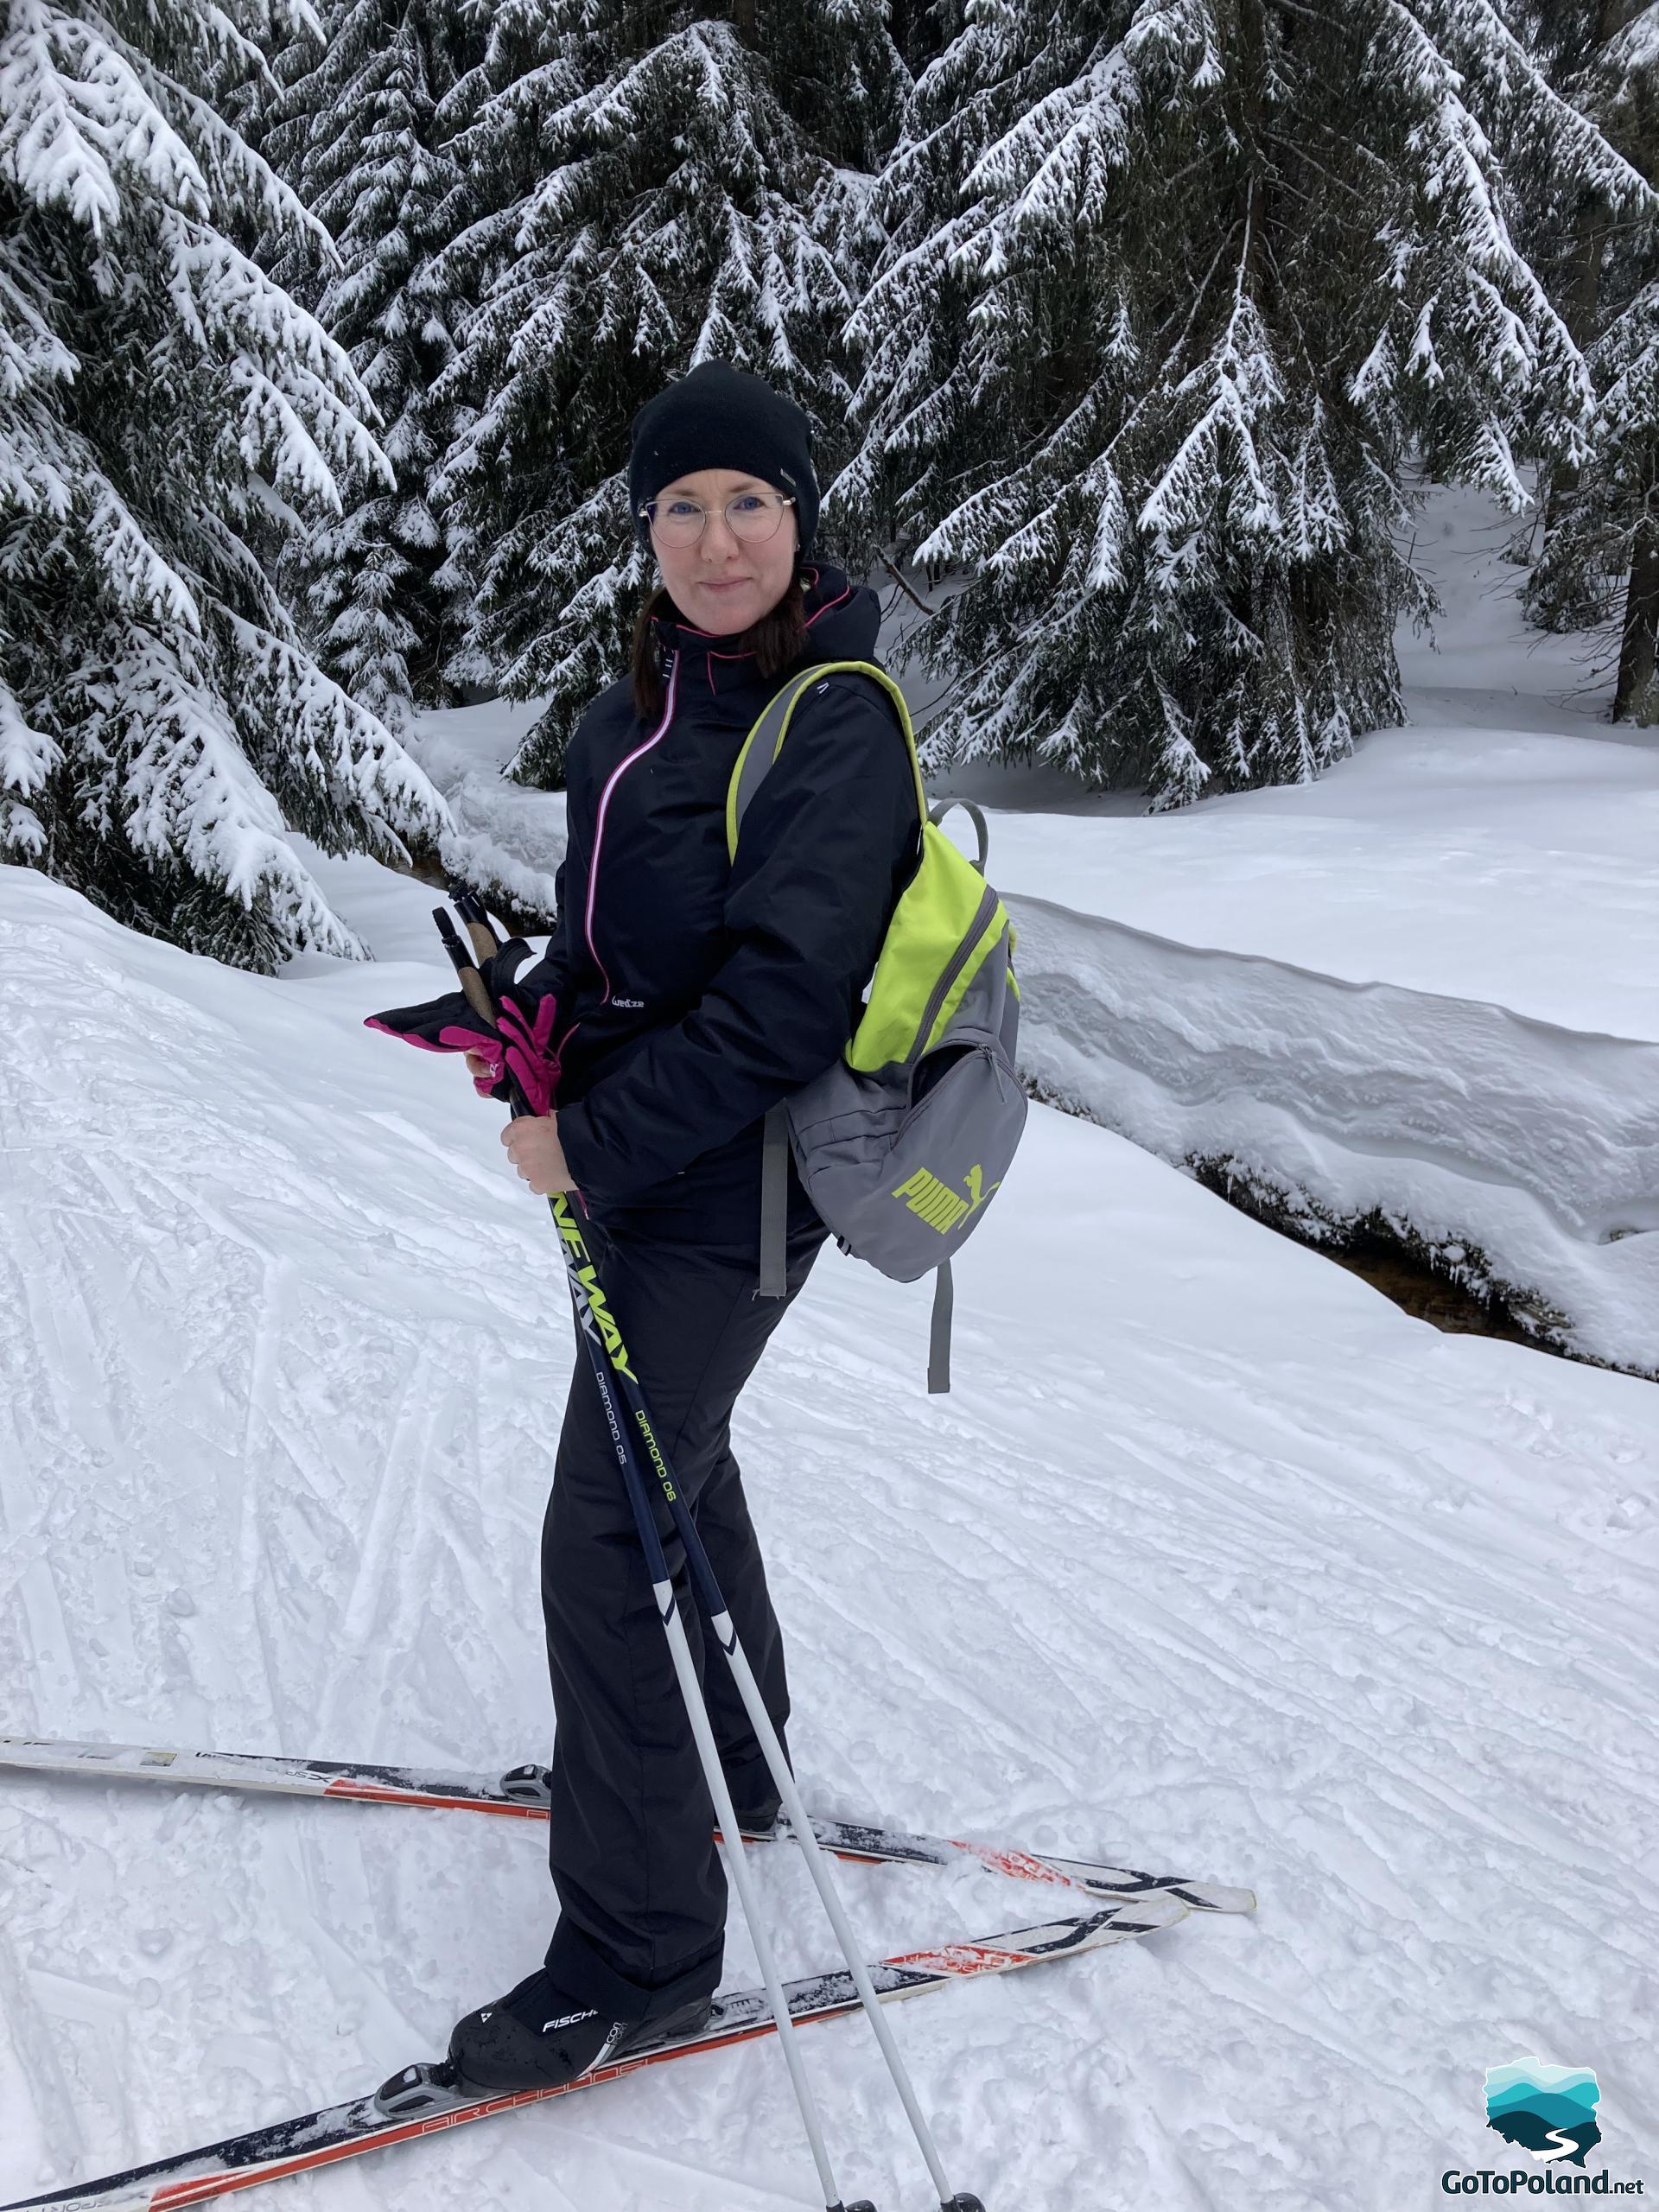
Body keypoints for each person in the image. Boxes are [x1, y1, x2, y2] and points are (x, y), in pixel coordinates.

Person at [444, 361, 920, 2092]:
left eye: (749, 503)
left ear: (800, 521)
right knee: (679, 1460)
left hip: (746, 1187)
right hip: (644, 1171)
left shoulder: (832, 717)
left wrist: (591, 1137)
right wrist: (526, 1007)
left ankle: (641, 1950)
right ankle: (735, 1748)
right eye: (681, 507)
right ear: (644, 531)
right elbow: (616, 941)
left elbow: (785, 1005)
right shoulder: (633, 707)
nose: (715, 539)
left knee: (605, 1526)